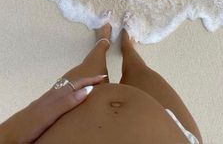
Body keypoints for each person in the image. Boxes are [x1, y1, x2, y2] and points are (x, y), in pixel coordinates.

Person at [0, 11, 203, 144]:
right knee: (140, 70)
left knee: (91, 65)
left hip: (63, 116)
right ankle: (126, 46)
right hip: (178, 132)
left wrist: (35, 110)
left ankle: (105, 44)